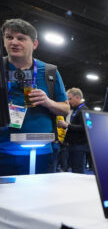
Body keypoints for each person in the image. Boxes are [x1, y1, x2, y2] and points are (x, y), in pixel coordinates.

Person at [0, 19, 69, 176]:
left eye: (21, 38)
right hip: (2, 151)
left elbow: (65, 109)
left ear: (35, 44)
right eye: (9, 37)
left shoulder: (49, 72)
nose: (14, 42)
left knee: (38, 199)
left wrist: (48, 102)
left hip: (40, 153)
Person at [58, 88, 88, 174]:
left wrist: (67, 125)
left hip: (80, 146)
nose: (69, 101)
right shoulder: (77, 110)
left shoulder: (84, 109)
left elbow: (85, 127)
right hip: (74, 145)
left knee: (78, 171)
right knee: (74, 170)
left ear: (77, 97)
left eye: (70, 99)